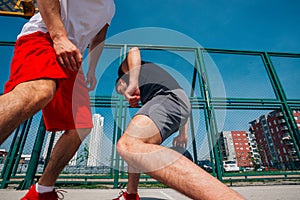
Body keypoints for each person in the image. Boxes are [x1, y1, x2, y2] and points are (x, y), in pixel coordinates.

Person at [0, 0, 115, 199]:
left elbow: (99, 38)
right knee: (39, 91)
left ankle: (42, 191)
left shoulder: (110, 7)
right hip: (44, 36)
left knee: (81, 126)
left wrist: (92, 69)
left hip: (72, 55)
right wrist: (59, 36)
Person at [113, 47, 245, 200]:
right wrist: (183, 133)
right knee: (134, 145)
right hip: (175, 101)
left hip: (167, 98)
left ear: (123, 80)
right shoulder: (149, 90)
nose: (124, 94)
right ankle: (131, 195)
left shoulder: (127, 72)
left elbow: (133, 50)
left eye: (121, 90)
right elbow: (182, 102)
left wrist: (133, 83)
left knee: (130, 144)